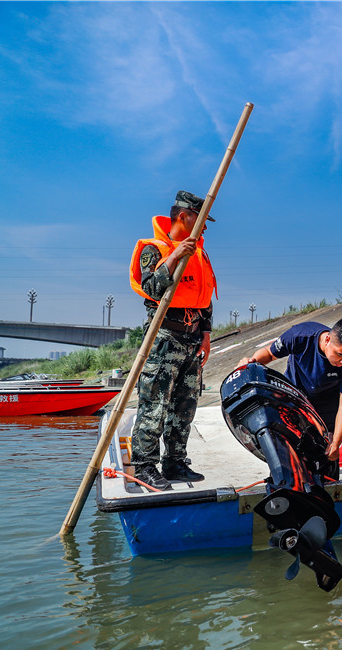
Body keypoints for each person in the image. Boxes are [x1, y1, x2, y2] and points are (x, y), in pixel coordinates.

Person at [127, 190, 216, 490]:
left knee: (185, 406)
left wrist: (205, 334)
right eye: (201, 220)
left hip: (192, 339)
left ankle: (176, 462)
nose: (204, 227)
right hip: (164, 336)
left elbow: (205, 297)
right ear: (184, 217)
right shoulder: (155, 249)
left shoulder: (200, 253)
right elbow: (150, 287)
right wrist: (175, 256)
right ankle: (144, 465)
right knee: (154, 403)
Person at [237, 316, 342, 477]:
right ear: (327, 340)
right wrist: (251, 362)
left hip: (325, 411)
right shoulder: (301, 336)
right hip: (294, 401)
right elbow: (270, 354)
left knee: (325, 466)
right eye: (340, 355)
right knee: (289, 463)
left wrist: (336, 442)